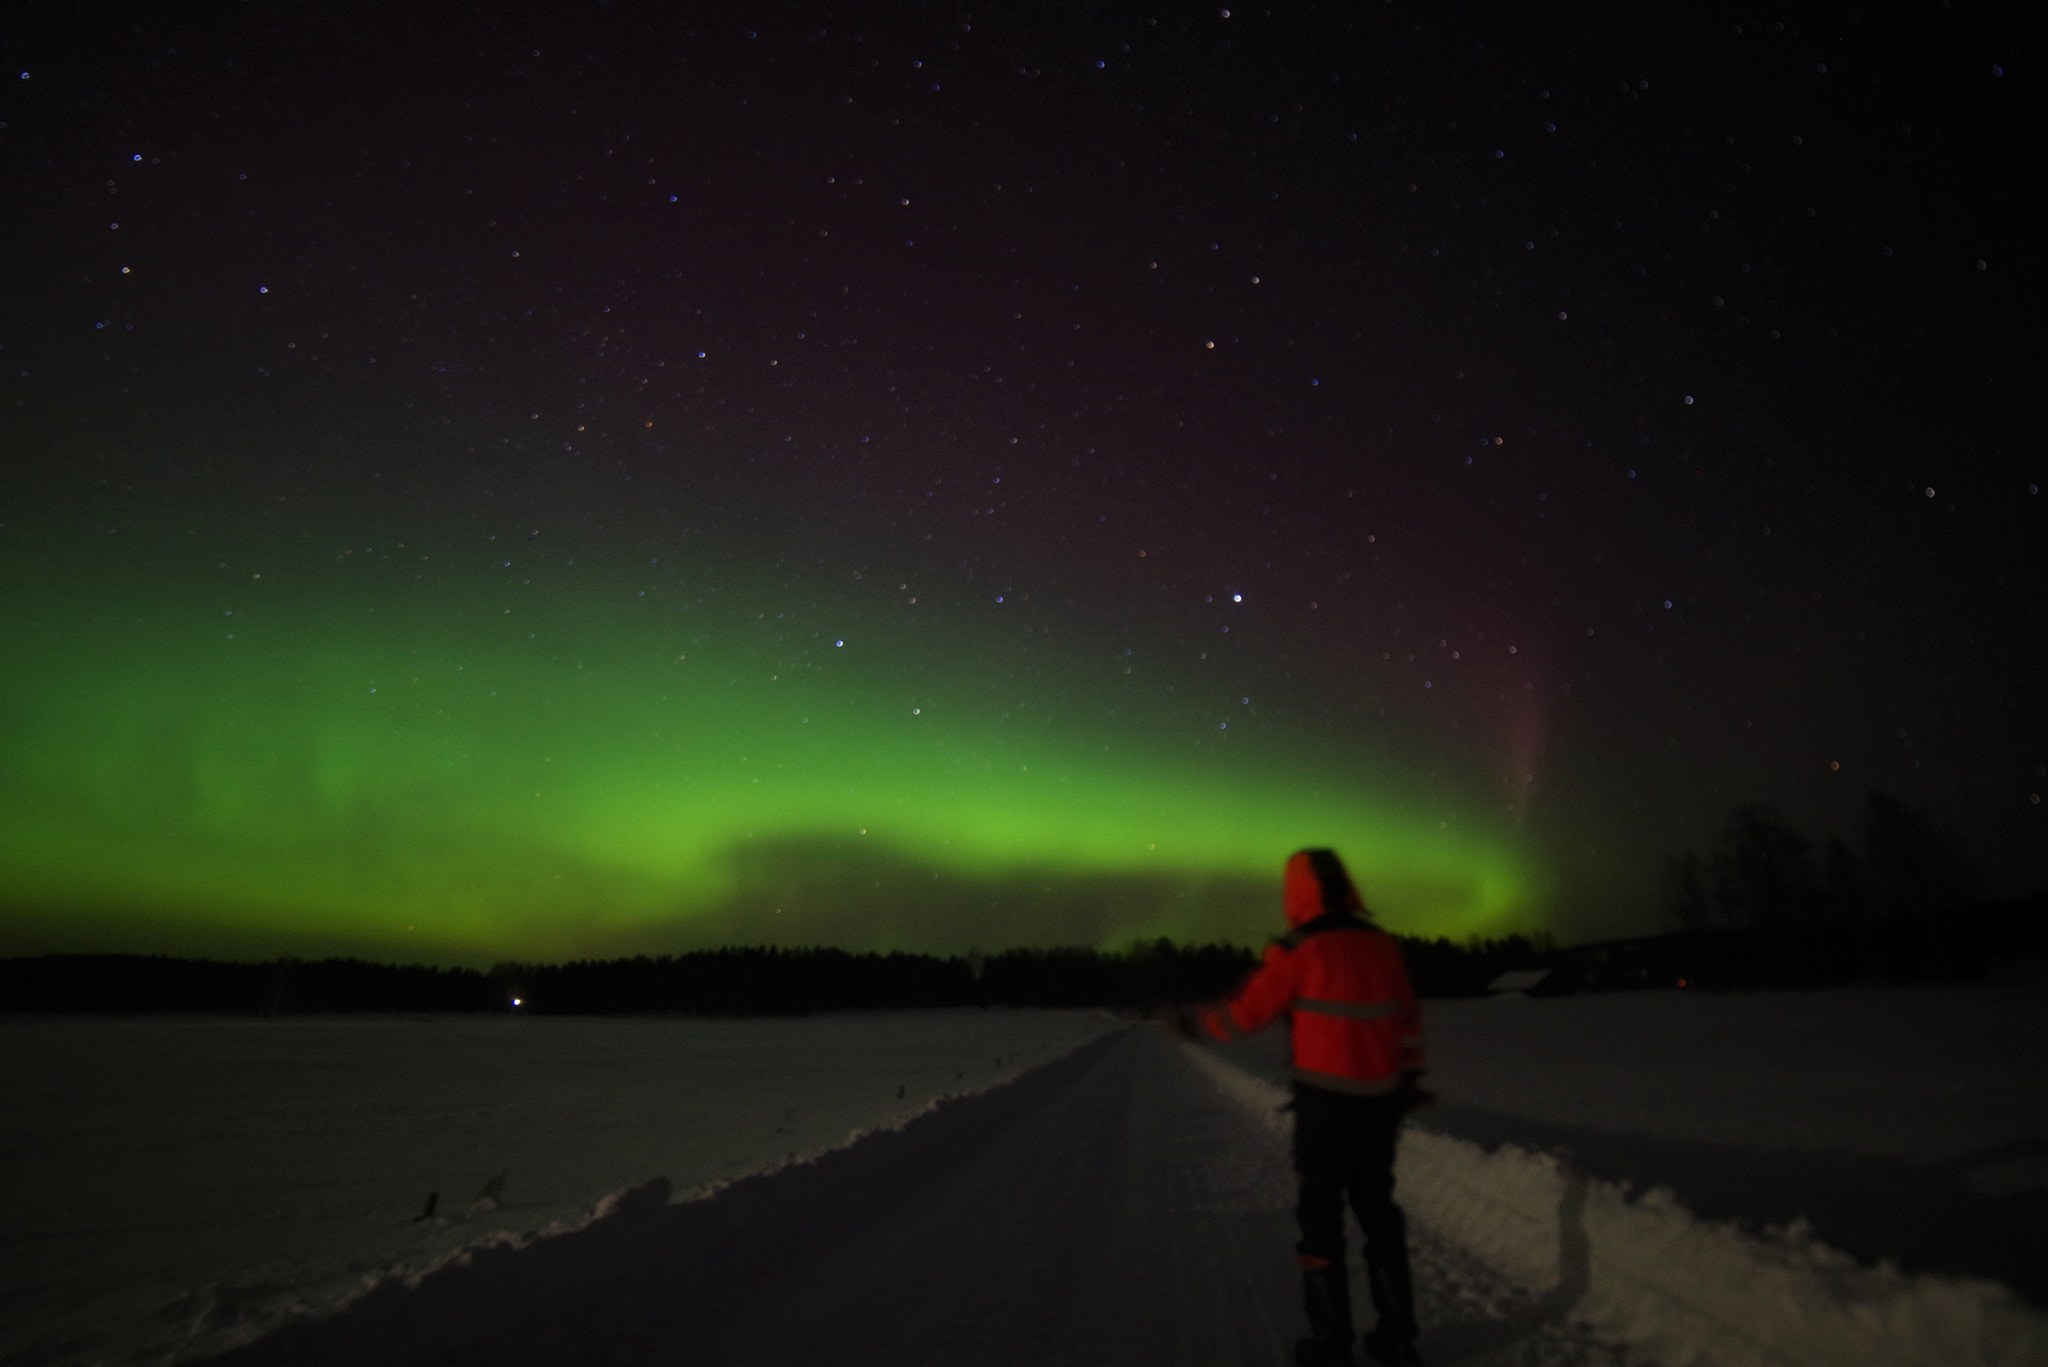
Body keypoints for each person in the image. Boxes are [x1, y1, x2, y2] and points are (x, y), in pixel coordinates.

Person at [1187, 849, 1427, 1367]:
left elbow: (1247, 1014)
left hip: (1326, 1109)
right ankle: (1398, 1339)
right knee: (1378, 1214)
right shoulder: (1381, 945)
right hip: (1380, 1104)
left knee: (1321, 1218)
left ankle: (1331, 1345)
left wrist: (1198, 1026)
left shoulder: (1299, 949)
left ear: (1297, 893)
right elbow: (1406, 1020)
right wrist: (1408, 1075)